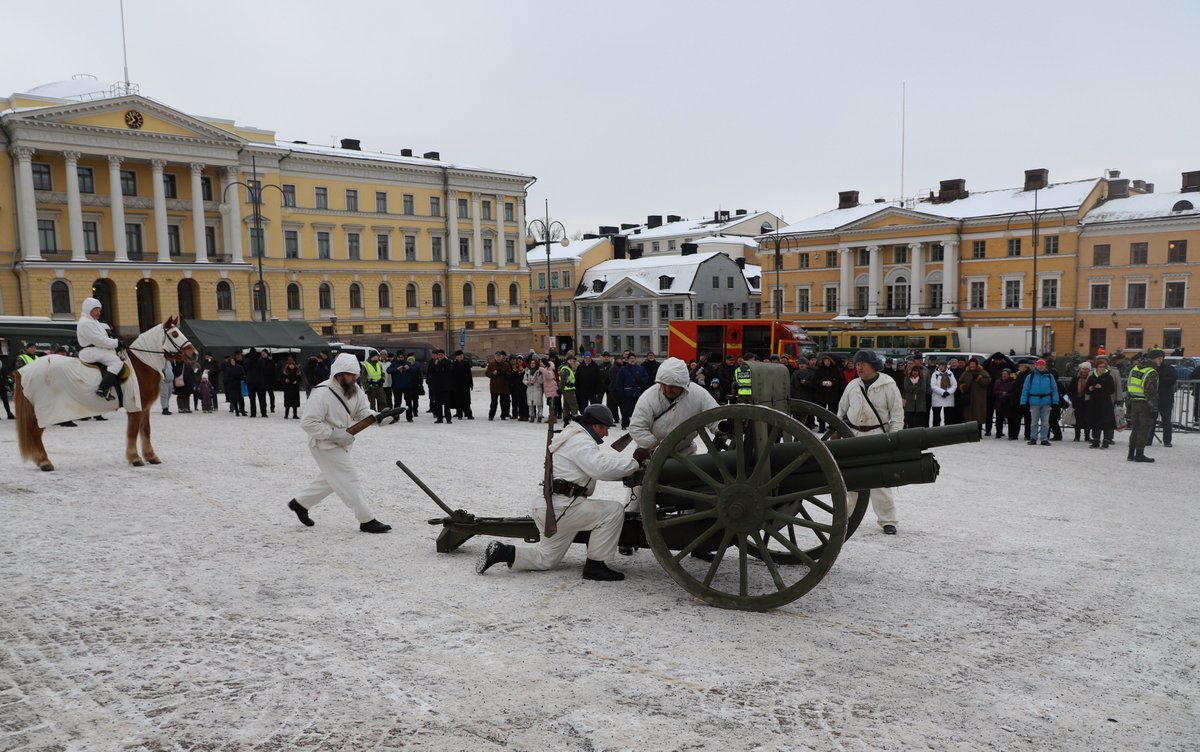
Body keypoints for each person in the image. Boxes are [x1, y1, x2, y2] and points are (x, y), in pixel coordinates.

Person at [475, 403, 638, 581]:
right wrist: (634, 464)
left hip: (550, 506)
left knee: (545, 560)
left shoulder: (572, 437)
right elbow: (599, 468)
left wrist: (626, 472)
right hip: (564, 507)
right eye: (603, 428)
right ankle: (595, 566)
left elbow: (597, 466)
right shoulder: (580, 441)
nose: (606, 434)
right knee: (613, 511)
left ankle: (502, 551)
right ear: (593, 426)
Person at [286, 353, 392, 533]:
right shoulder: (321, 393)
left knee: (331, 479)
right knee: (348, 478)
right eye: (351, 375)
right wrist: (335, 435)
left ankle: (300, 503)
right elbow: (308, 423)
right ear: (339, 373)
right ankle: (366, 519)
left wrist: (378, 418)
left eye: (356, 375)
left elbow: (361, 412)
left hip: (343, 443)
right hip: (323, 444)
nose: (354, 378)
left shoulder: (355, 389)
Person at [837, 350, 904, 535]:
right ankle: (847, 516)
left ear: (873, 366)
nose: (859, 367)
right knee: (850, 479)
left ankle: (887, 520)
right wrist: (839, 431)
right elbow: (841, 411)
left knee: (880, 481)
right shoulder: (852, 385)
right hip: (853, 435)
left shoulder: (889, 385)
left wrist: (893, 438)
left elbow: (897, 415)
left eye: (862, 364)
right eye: (857, 364)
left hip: (877, 435)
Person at [76, 297, 124, 400]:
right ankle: (103, 389)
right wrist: (116, 343)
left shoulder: (93, 321)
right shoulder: (86, 323)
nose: (99, 313)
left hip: (97, 349)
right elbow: (99, 340)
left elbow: (104, 337)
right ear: (88, 310)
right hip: (91, 351)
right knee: (117, 363)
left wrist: (114, 337)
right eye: (96, 310)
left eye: (99, 310)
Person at [1126, 350, 1161, 463]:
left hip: (1134, 402)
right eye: (1159, 358)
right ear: (1153, 360)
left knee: (1135, 429)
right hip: (1145, 404)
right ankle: (1139, 454)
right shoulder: (1151, 372)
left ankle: (1131, 454)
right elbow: (1151, 392)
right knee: (1144, 429)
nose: (1160, 360)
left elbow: (1128, 387)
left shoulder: (1134, 369)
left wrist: (1128, 404)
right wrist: (1154, 408)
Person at [1019, 358, 1059, 446]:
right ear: (1036, 366)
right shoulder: (1030, 376)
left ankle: (1044, 439)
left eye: (1043, 365)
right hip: (1034, 402)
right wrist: (1023, 402)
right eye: (1039, 365)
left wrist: (1055, 402)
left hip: (1046, 402)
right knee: (1034, 422)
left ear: (1045, 366)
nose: (1041, 366)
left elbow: (1054, 389)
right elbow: (1025, 390)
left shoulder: (1049, 376)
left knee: (1045, 422)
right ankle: (1033, 438)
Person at [1085, 356, 1117, 449]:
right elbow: (1087, 390)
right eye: (1100, 367)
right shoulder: (1092, 377)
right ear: (1096, 367)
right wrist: (1091, 388)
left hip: (1105, 403)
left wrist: (1102, 387)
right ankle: (1096, 441)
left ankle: (1106, 441)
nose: (1102, 368)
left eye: (1103, 367)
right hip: (1094, 402)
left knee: (1106, 422)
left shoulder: (1109, 377)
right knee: (1095, 422)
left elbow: (1111, 390)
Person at [615, 353, 647, 429]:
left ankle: (638, 424)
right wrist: (621, 391)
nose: (632, 360)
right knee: (626, 409)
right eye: (630, 358)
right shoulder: (623, 369)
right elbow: (619, 381)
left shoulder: (640, 368)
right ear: (628, 360)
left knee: (638, 410)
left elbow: (645, 378)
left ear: (635, 359)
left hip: (637, 392)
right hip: (627, 393)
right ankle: (624, 424)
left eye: (633, 358)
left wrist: (641, 381)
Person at [1153, 349, 1177, 448]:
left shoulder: (1170, 368)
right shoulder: (1151, 369)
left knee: (1166, 421)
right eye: (1156, 359)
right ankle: (1148, 439)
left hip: (1166, 399)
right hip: (1153, 399)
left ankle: (1167, 441)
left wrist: (1158, 380)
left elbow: (1172, 379)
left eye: (1160, 358)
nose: (1158, 360)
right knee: (1151, 421)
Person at [426, 348, 454, 424]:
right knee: (438, 404)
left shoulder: (448, 362)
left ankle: (448, 418)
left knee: (447, 404)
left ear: (444, 355)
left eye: (441, 355)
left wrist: (440, 363)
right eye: (439, 355)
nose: (440, 356)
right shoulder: (433, 362)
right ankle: (440, 418)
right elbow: (431, 373)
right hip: (437, 386)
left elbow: (449, 371)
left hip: (446, 386)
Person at [1068, 362, 1093, 442]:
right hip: (1077, 401)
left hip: (1088, 401)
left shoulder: (1092, 378)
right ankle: (1077, 436)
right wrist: (1073, 398)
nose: (1085, 370)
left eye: (1087, 369)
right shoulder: (1075, 378)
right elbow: (1070, 390)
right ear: (1080, 369)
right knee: (1077, 419)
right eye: (1083, 369)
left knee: (1088, 419)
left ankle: (1087, 436)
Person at [243, 349, 270, 418]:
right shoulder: (260, 360)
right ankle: (263, 413)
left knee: (252, 399)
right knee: (262, 399)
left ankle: (253, 413)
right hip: (259, 381)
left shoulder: (247, 361)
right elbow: (263, 367)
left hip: (251, 382)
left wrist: (250, 359)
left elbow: (245, 367)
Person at [485, 351, 511, 420]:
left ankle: (503, 415)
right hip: (494, 387)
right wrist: (493, 373)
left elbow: (509, 375)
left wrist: (504, 372)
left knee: (503, 403)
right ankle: (491, 415)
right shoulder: (491, 364)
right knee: (493, 403)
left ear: (502, 357)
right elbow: (487, 374)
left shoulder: (506, 365)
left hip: (503, 387)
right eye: (497, 356)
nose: (498, 358)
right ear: (495, 357)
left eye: (499, 356)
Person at [929, 362, 957, 427]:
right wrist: (943, 392)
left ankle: (948, 431)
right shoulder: (935, 374)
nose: (941, 367)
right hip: (937, 397)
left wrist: (948, 392)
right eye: (940, 365)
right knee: (936, 417)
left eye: (942, 365)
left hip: (948, 397)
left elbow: (954, 385)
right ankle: (936, 431)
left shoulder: (950, 374)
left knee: (948, 417)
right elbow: (933, 385)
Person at [991, 369, 1016, 439]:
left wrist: (1007, 395)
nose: (1004, 375)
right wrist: (1002, 393)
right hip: (999, 402)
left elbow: (1014, 392)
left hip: (1009, 402)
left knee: (1010, 419)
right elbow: (995, 390)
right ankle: (998, 433)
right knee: (999, 419)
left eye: (1005, 374)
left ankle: (1011, 434)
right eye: (1003, 374)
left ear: (1009, 375)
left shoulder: (1013, 382)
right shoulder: (998, 381)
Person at [901, 363, 928, 429]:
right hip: (910, 403)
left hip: (920, 403)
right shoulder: (907, 379)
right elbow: (907, 388)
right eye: (914, 371)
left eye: (916, 371)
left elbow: (923, 389)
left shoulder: (922, 379)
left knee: (918, 421)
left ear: (919, 372)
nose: (915, 372)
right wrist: (916, 387)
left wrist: (912, 389)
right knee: (910, 421)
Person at [451, 350, 475, 420]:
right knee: (458, 400)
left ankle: (468, 414)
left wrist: (471, 384)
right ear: (456, 357)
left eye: (462, 355)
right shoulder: (453, 364)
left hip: (466, 385)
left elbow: (469, 374)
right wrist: (452, 385)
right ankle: (459, 414)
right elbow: (452, 376)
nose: (461, 357)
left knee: (467, 400)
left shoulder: (466, 363)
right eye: (459, 356)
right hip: (457, 385)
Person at [559, 355, 581, 424]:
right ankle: (575, 418)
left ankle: (566, 420)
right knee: (573, 404)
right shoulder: (566, 369)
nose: (572, 362)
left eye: (573, 361)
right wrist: (561, 388)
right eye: (571, 361)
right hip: (568, 390)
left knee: (566, 405)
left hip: (568, 389)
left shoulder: (567, 368)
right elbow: (563, 380)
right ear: (568, 361)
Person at [523, 357, 545, 422]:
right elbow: (524, 380)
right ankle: (531, 416)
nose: (532, 364)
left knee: (539, 403)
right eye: (531, 363)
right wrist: (527, 382)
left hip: (537, 389)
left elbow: (541, 381)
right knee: (530, 404)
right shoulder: (527, 372)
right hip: (529, 389)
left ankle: (540, 415)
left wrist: (539, 377)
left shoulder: (539, 371)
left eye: (534, 363)